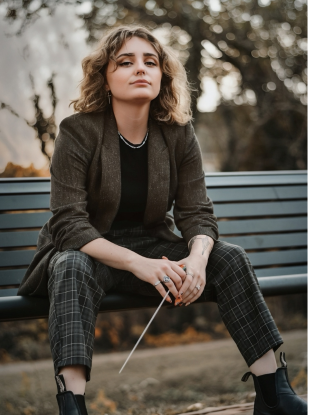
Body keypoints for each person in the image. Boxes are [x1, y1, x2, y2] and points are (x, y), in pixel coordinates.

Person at [17, 25, 307, 415]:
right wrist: (141, 265)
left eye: (150, 62)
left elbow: (197, 213)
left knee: (230, 256)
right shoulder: (77, 131)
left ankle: (274, 394)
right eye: (126, 62)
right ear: (105, 77)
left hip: (153, 245)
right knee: (70, 264)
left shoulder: (178, 132)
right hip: (90, 252)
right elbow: (69, 224)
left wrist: (199, 260)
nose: (141, 69)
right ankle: (73, 405)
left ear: (162, 76)